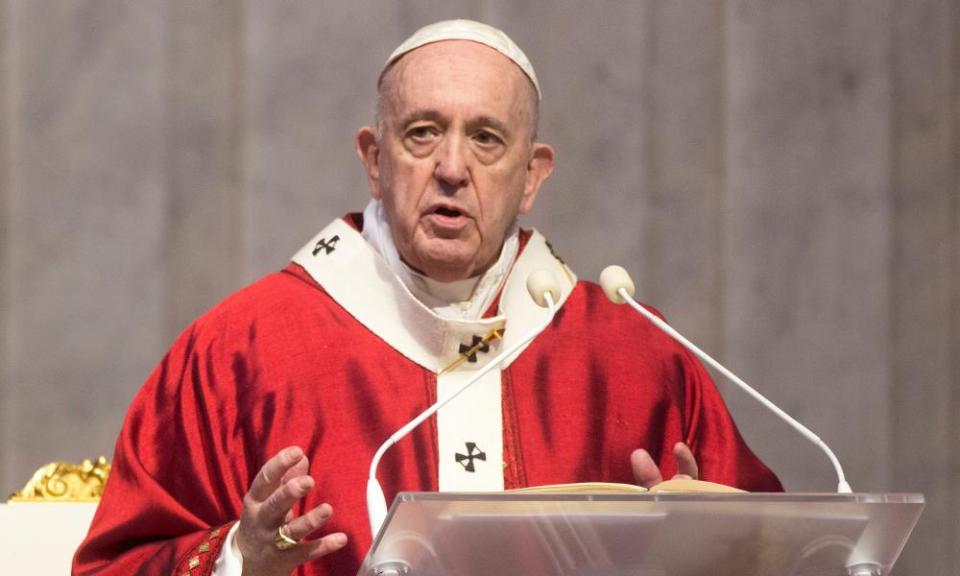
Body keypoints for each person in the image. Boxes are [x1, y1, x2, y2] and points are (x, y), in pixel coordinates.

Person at [73, 19, 781, 576]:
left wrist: (708, 550)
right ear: (374, 159)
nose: (451, 168)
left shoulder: (632, 353)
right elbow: (114, 565)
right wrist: (240, 560)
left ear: (532, 176)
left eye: (486, 139)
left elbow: (789, 552)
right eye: (422, 133)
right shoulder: (244, 349)